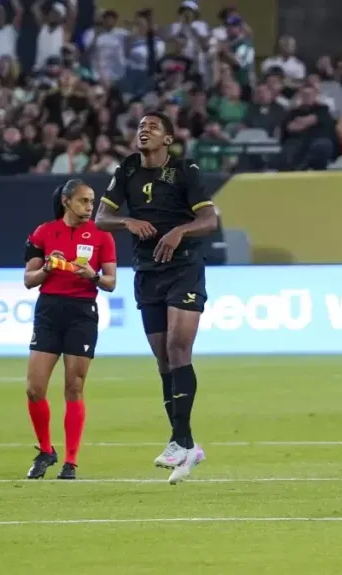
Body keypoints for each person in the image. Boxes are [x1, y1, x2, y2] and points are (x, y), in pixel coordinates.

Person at [95, 112, 218, 485]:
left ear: (168, 139)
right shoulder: (128, 170)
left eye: (152, 127)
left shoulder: (185, 171)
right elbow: (102, 217)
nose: (143, 130)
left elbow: (209, 220)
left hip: (183, 269)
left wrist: (180, 231)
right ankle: (186, 444)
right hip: (147, 272)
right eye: (139, 127)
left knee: (180, 351)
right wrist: (127, 222)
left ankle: (180, 441)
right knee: (164, 360)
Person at [23, 180, 118, 480]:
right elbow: (28, 279)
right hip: (49, 311)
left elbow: (111, 282)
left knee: (74, 387)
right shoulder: (44, 232)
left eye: (92, 202)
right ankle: (46, 450)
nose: (90, 207)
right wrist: (48, 269)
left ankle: (71, 461)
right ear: (66, 201)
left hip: (82, 313)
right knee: (34, 388)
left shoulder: (103, 236)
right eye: (84, 201)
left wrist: (93, 275)